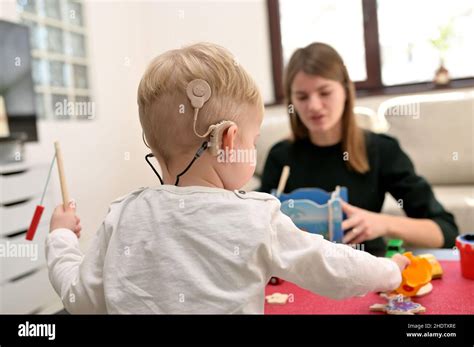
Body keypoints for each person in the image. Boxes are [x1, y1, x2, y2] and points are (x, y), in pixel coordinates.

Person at [46, 42, 409, 314]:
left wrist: (60, 236)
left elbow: (80, 299)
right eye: (253, 140)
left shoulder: (120, 215)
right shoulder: (257, 217)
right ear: (229, 140)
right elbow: (333, 267)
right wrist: (389, 271)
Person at [260, 42, 458, 254]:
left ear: (346, 91)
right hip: (298, 273)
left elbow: (445, 231)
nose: (314, 106)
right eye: (302, 97)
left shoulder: (381, 150)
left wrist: (383, 223)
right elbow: (256, 226)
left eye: (325, 92)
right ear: (292, 101)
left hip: (368, 266)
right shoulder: (281, 157)